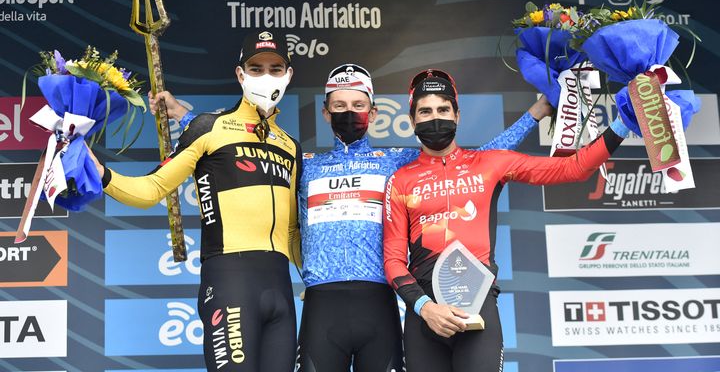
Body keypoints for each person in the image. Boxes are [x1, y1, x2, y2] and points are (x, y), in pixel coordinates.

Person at [154, 64, 552, 372]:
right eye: (340, 106)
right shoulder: (303, 163)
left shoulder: (398, 161)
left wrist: (535, 112)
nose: (349, 112)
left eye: (358, 105)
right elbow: (239, 140)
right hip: (321, 305)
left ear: (374, 112)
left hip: (379, 302)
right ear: (325, 113)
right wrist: (183, 116)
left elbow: (481, 160)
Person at [383, 69, 630, 372]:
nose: (435, 118)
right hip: (424, 314)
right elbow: (393, 260)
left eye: (443, 109)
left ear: (457, 115)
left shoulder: (489, 163)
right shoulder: (400, 180)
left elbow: (574, 168)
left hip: (479, 306)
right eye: (425, 111)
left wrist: (622, 124)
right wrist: (425, 308)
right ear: (412, 121)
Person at [91, 30, 302, 372]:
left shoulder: (289, 146)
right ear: (240, 74)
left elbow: (292, 231)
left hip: (280, 287)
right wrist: (102, 174)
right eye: (256, 67)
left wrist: (315, 279)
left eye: (276, 68)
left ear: (288, 74)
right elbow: (152, 189)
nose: (266, 76)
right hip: (231, 281)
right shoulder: (208, 129)